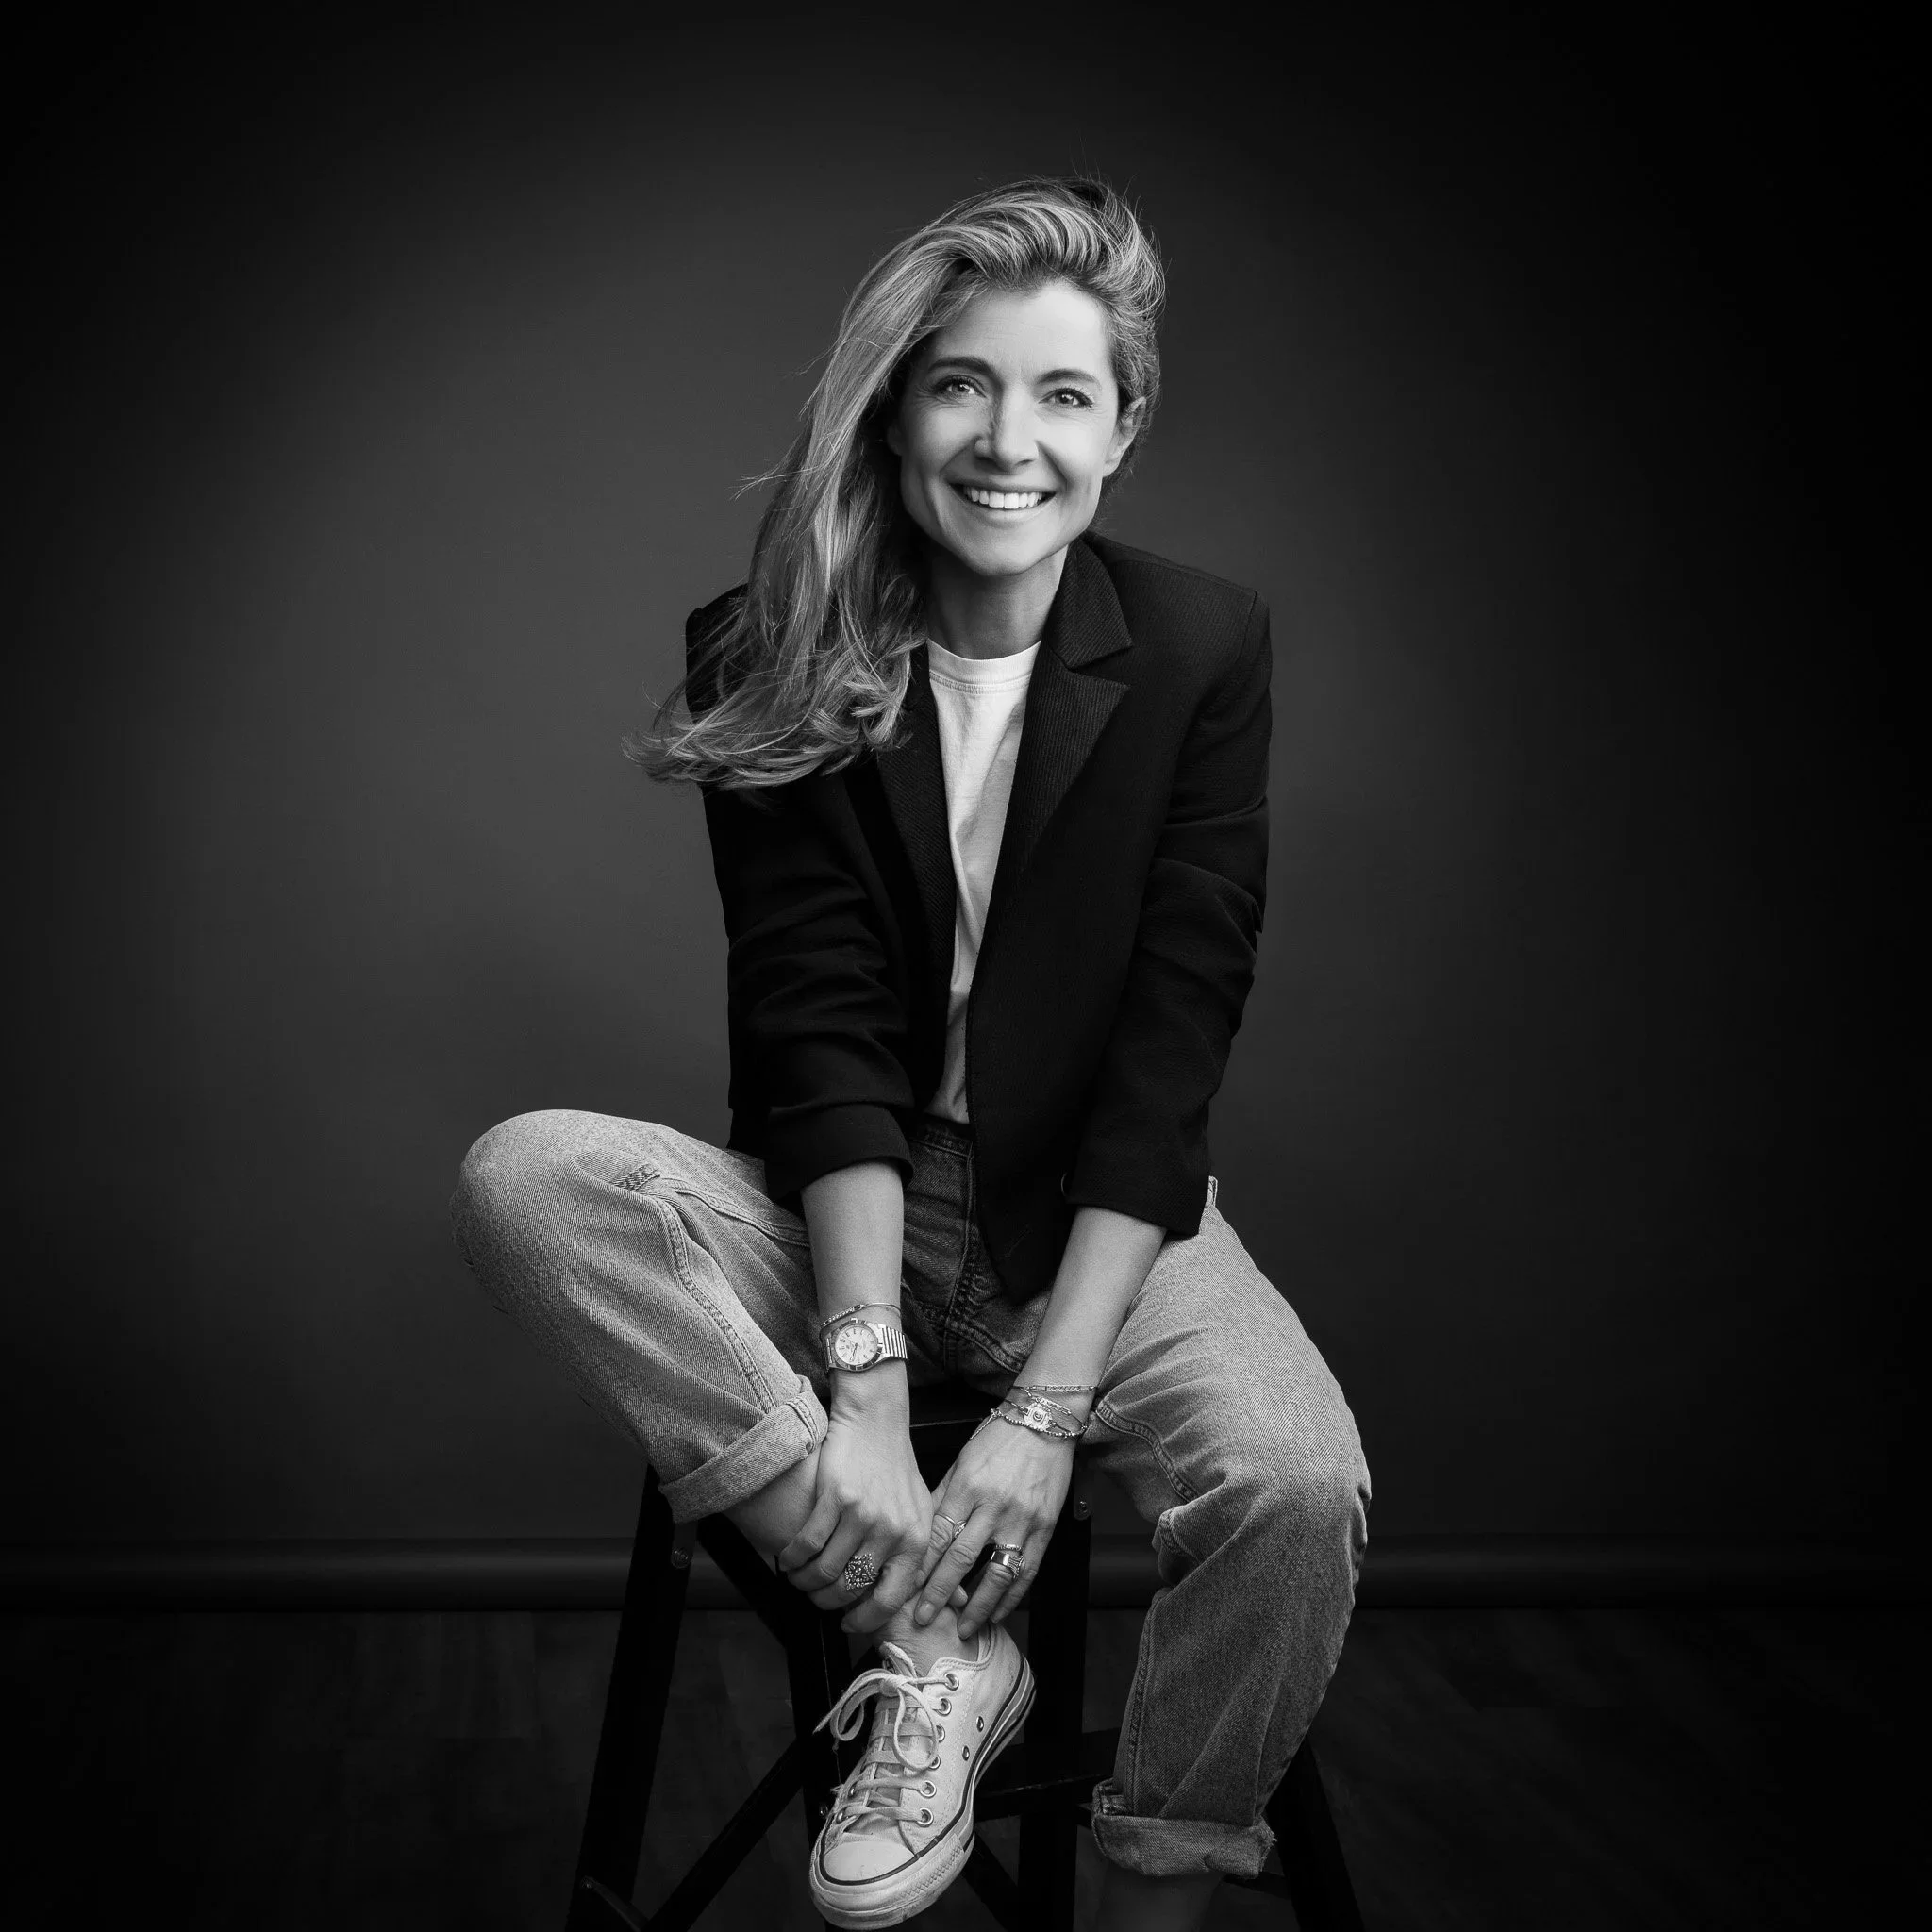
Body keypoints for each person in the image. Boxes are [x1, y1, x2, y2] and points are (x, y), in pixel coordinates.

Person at [450, 176, 1369, 1932]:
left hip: (1100, 1222)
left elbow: (1170, 1049)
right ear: (894, 413)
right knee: (531, 1180)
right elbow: (819, 1036)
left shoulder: (1202, 647)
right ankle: (938, 1653)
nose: (1009, 441)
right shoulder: (775, 644)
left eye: (1063, 394)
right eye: (961, 386)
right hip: (847, 1211)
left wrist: (1046, 1411)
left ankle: (1155, 1891)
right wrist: (865, 1386)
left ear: (1122, 431)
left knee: (1295, 1482)